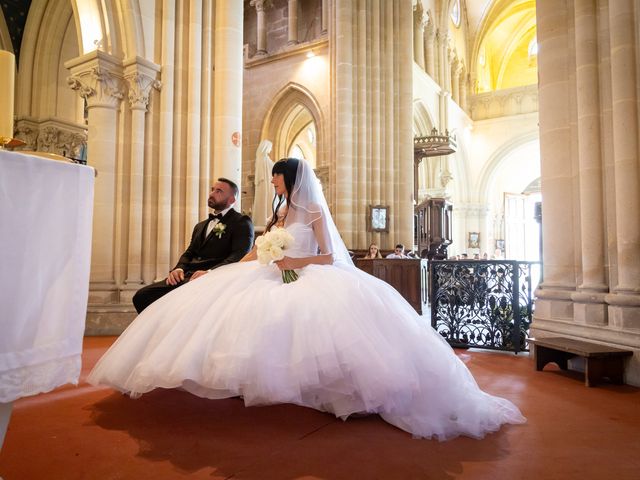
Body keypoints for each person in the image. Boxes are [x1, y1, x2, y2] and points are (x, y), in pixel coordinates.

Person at [89, 158, 524, 440]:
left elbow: (329, 255)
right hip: (268, 272)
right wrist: (258, 256)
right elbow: (263, 245)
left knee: (304, 326)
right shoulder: (278, 212)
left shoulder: (314, 213)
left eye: (277, 176)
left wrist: (291, 258)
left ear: (290, 178)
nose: (274, 181)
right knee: (230, 311)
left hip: (307, 275)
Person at [131, 178, 254, 313]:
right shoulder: (200, 226)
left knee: (177, 305)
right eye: (212, 189)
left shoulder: (241, 222)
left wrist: (210, 273)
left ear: (232, 200)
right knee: (142, 296)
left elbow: (239, 255)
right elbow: (190, 252)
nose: (212, 193)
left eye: (219, 191)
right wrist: (178, 269)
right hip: (187, 276)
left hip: (212, 280)